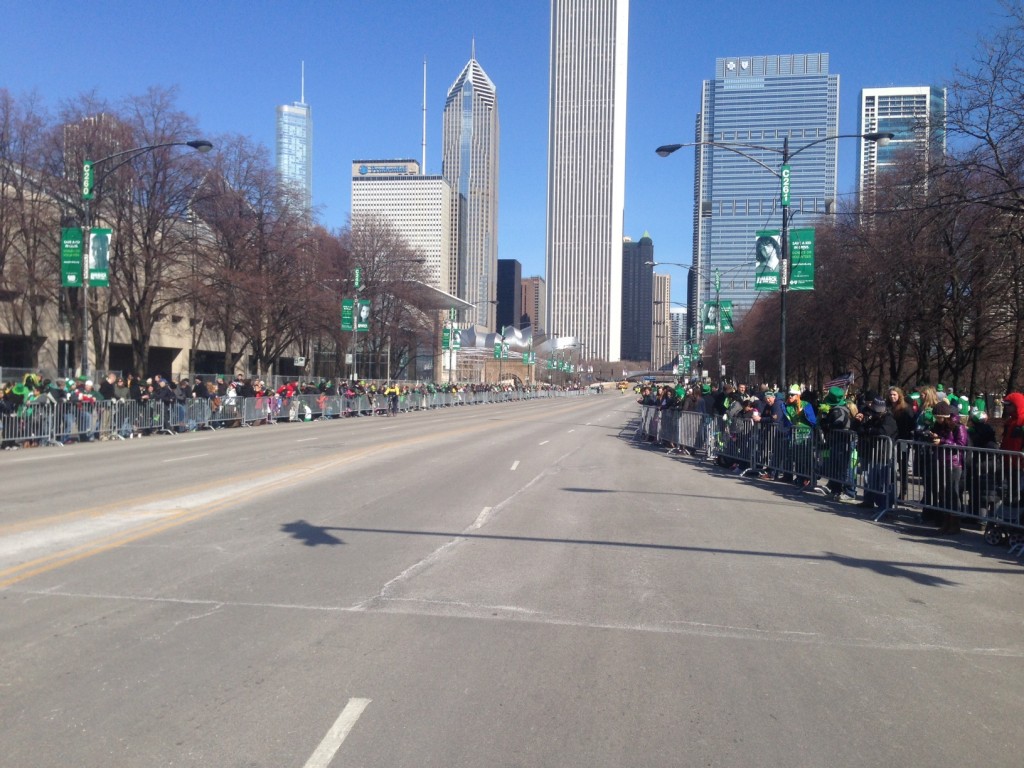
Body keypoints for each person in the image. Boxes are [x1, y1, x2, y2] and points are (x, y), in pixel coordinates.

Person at [925, 400, 969, 533]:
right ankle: (946, 522)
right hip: (941, 460)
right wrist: (932, 437)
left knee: (953, 493)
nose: (937, 420)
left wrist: (942, 441)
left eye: (939, 418)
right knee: (944, 493)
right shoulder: (939, 426)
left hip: (954, 463)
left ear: (946, 417)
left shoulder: (958, 426)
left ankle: (955, 523)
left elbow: (961, 444)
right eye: (936, 417)